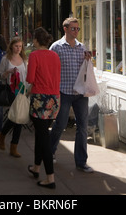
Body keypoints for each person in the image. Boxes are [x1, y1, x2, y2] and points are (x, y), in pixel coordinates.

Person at [50, 17, 93, 173]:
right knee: (60, 124)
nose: (76, 31)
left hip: (80, 93)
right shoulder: (56, 47)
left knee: (82, 127)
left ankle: (81, 162)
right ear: (65, 29)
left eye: (78, 29)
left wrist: (89, 60)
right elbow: (50, 68)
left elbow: (87, 69)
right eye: (73, 28)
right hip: (63, 91)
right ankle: (50, 151)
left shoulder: (82, 48)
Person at [26, 27, 61, 189]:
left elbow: (30, 78)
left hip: (39, 98)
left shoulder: (34, 55)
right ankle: (36, 167)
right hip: (53, 99)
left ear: (35, 40)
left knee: (43, 138)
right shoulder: (54, 55)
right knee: (41, 135)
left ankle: (50, 178)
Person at [0, 37, 28, 157]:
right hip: (10, 89)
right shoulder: (6, 59)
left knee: (19, 118)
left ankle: (12, 144)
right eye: (16, 46)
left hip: (22, 89)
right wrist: (8, 72)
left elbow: (26, 74)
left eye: (20, 46)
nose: (18, 49)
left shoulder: (24, 59)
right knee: (15, 116)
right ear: (11, 46)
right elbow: (1, 76)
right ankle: (4, 135)